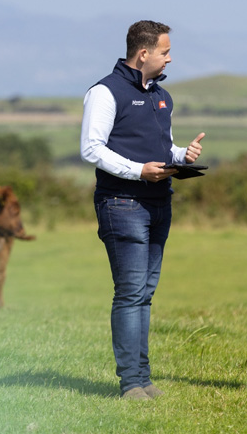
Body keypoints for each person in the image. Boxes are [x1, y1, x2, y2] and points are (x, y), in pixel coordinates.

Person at [80, 20, 205, 401]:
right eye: (165, 51)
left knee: (145, 294)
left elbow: (161, 148)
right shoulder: (105, 92)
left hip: (158, 201)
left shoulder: (162, 96)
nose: (170, 57)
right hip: (122, 204)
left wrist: (182, 156)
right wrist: (138, 172)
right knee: (131, 292)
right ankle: (131, 383)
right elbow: (92, 149)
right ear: (144, 53)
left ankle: (144, 380)